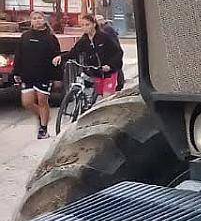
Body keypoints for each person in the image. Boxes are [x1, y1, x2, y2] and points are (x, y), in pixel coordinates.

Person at [13, 11, 61, 139]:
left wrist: (57, 78)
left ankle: (43, 129)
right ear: (31, 21)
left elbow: (57, 58)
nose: (37, 20)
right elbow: (19, 55)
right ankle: (43, 115)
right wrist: (16, 72)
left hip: (44, 74)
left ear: (44, 20)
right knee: (27, 102)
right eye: (34, 18)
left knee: (42, 101)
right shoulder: (25, 36)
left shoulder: (51, 38)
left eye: (39, 18)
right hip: (27, 74)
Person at [54, 12, 123, 98]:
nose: (85, 27)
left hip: (109, 72)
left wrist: (110, 66)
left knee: (106, 97)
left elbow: (118, 52)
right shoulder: (84, 40)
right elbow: (74, 52)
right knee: (99, 95)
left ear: (94, 24)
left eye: (87, 25)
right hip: (96, 72)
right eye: (82, 25)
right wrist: (60, 57)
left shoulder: (104, 37)